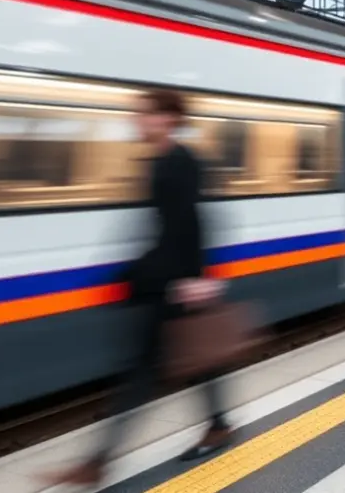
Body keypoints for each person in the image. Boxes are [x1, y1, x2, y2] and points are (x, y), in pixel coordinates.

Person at [44, 89, 233, 487]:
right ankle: (217, 425)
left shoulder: (179, 163)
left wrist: (196, 278)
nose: (136, 121)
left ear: (166, 118)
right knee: (188, 364)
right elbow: (172, 226)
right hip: (166, 282)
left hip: (171, 285)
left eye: (143, 114)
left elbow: (190, 224)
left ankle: (99, 462)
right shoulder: (162, 161)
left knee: (151, 371)